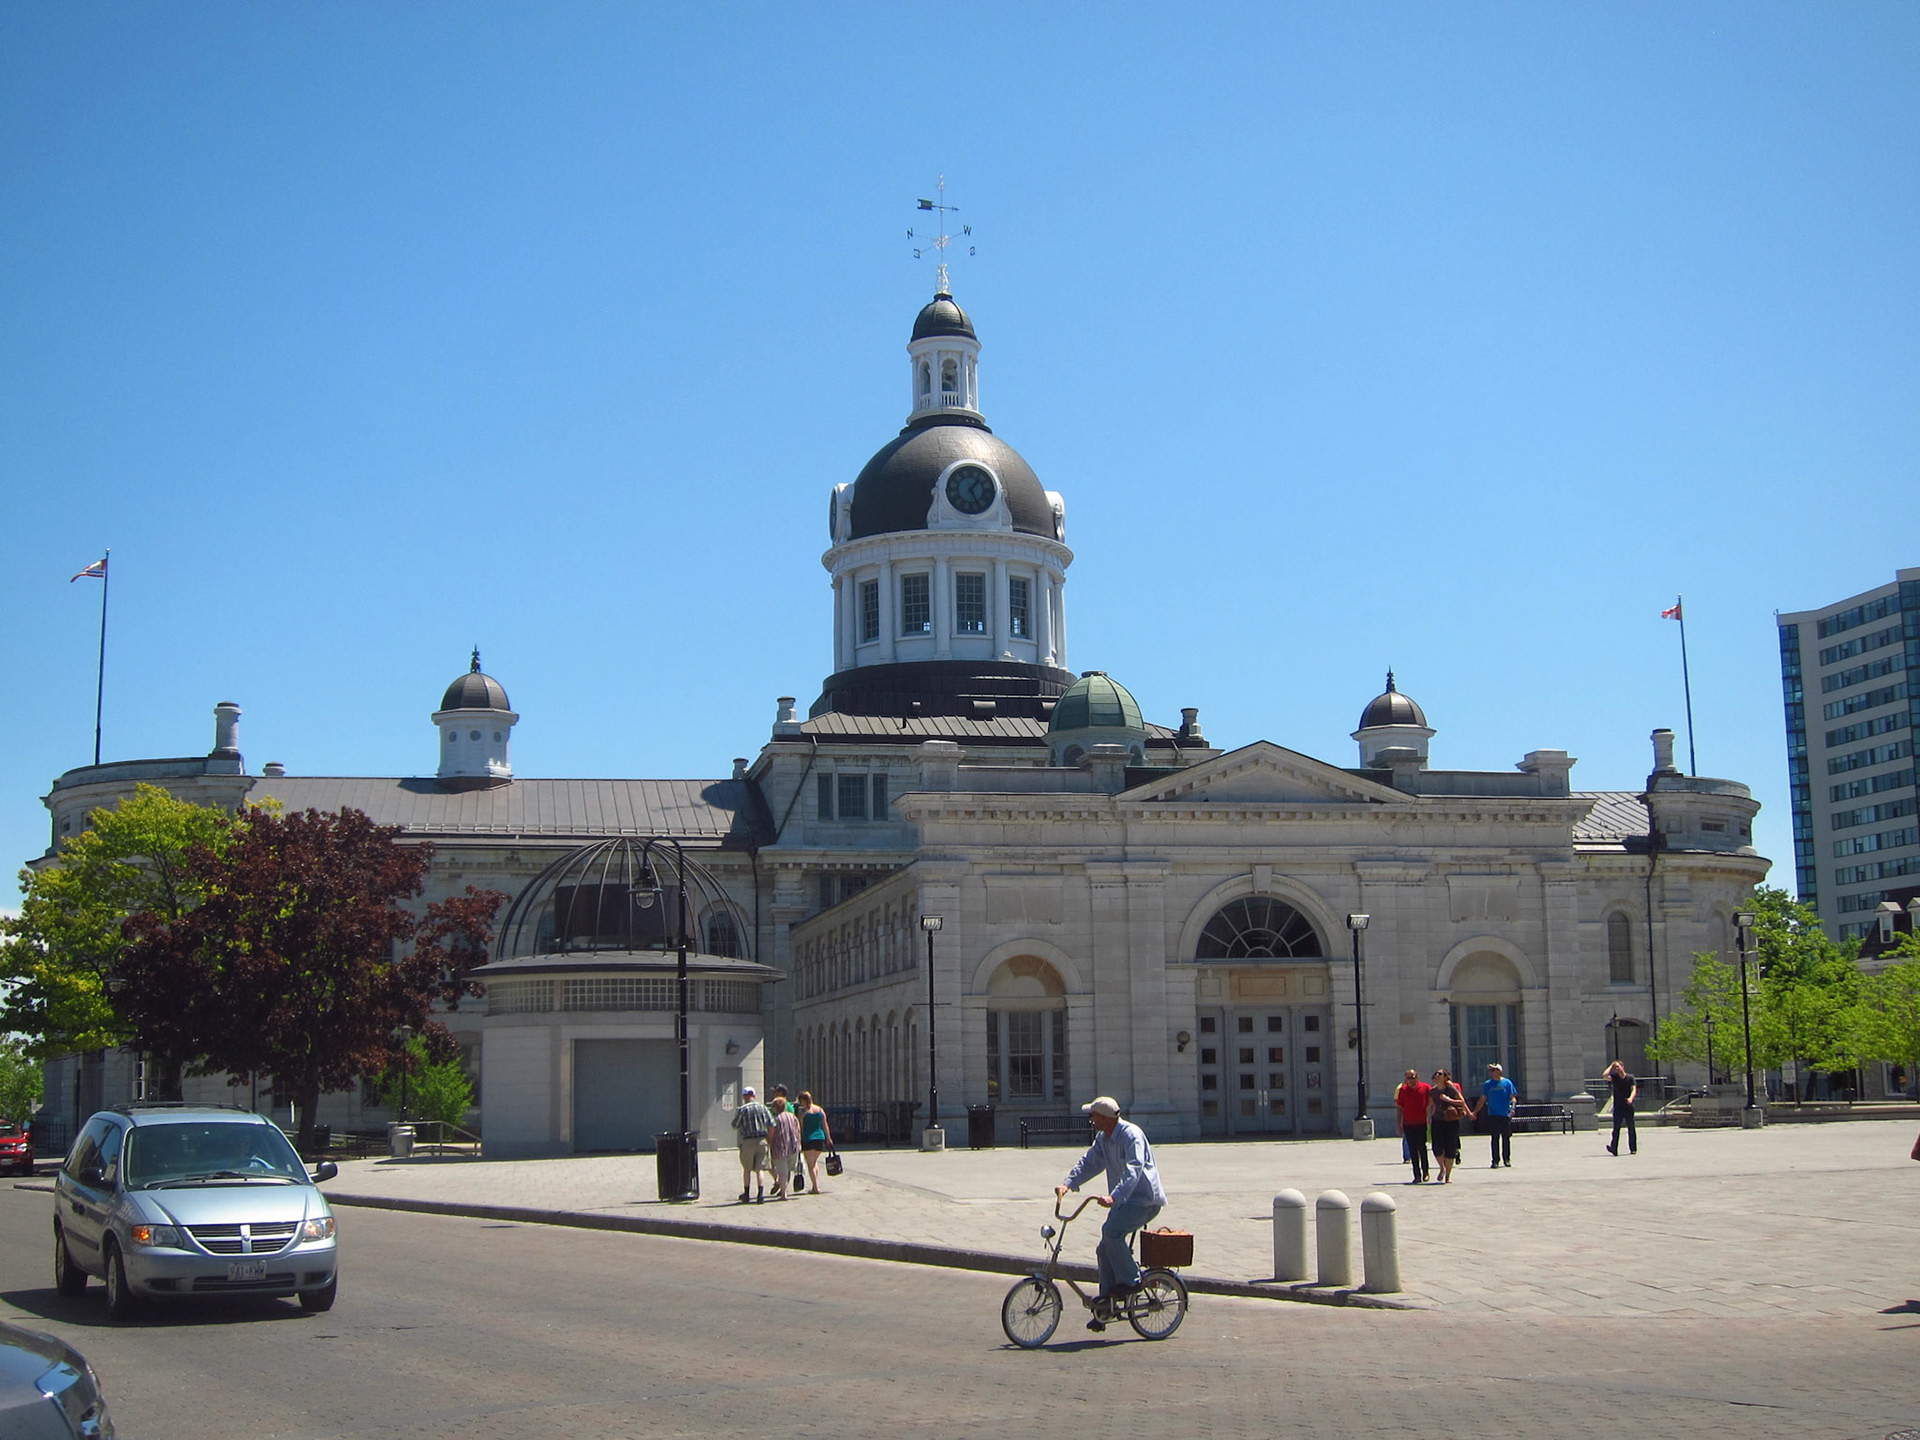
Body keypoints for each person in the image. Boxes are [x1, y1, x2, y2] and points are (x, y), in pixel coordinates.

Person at [1054, 1096, 1168, 1332]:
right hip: (1123, 1201)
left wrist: (1114, 1196)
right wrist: (1068, 1184)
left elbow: (1133, 1170)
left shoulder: (1131, 1135)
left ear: (1105, 1118)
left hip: (1144, 1201)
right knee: (1104, 1248)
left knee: (1111, 1232)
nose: (1091, 1120)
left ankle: (1132, 1280)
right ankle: (1106, 1306)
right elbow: (1089, 1162)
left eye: (1093, 1116)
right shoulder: (1103, 1138)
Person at [731, 1085, 775, 1203]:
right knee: (760, 1169)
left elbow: (734, 1125)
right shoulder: (763, 1107)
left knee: (747, 1169)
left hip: (748, 1141)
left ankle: (746, 1194)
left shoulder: (742, 1109)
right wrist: (769, 1139)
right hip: (762, 1140)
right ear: (754, 1095)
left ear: (744, 1096)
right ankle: (760, 1195)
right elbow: (772, 1124)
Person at [1428, 1069, 1468, 1183]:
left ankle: (1448, 1176)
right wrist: (1428, 1117)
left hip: (1451, 1121)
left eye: (1440, 1074)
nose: (1437, 1075)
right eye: (1436, 1074)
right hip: (1437, 1120)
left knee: (1450, 1148)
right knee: (1437, 1147)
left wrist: (1448, 1100)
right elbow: (1431, 1105)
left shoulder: (1451, 1089)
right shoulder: (1432, 1091)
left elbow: (1462, 1101)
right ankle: (1442, 1167)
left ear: (1445, 1077)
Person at [1394, 1069, 1432, 1183]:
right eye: (1409, 1078)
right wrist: (1398, 1124)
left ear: (1418, 1077)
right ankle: (1417, 1175)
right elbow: (1400, 1108)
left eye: (1413, 1077)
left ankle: (1425, 1171)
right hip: (1408, 1123)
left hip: (1421, 1122)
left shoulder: (1425, 1088)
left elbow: (1431, 1103)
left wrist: (1429, 1116)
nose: (1411, 1080)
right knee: (1412, 1149)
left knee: (1422, 1148)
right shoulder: (1403, 1090)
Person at [1478, 1062, 1518, 1168]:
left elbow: (1513, 1097)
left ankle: (1506, 1159)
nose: (1492, 1072)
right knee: (1494, 1138)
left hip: (1505, 1114)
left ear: (1499, 1071)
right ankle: (1495, 1160)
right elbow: (1483, 1098)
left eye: (1494, 1070)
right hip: (1493, 1114)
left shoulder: (1507, 1083)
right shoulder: (1488, 1084)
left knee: (1506, 1137)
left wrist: (1513, 1108)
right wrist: (1475, 1111)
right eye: (1491, 1070)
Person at [767, 1088, 801, 1200]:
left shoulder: (775, 1119)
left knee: (782, 1171)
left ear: (775, 1108)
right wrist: (799, 1144)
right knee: (788, 1170)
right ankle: (784, 1189)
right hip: (793, 1147)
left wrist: (769, 1143)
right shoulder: (793, 1117)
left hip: (779, 1148)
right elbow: (798, 1130)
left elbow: (771, 1133)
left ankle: (783, 1193)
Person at [797, 1090, 833, 1193]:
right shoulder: (820, 1110)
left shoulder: (803, 1112)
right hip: (820, 1138)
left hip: (808, 1139)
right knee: (814, 1162)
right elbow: (825, 1125)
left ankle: (816, 1187)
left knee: (810, 1165)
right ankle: (814, 1185)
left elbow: (800, 1127)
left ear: (803, 1100)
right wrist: (828, 1138)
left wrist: (798, 1140)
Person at [1604, 1060, 1638, 1155]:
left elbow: (1634, 1089)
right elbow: (1605, 1075)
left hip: (1628, 1105)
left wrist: (1630, 1098)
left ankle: (1633, 1148)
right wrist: (1611, 1066)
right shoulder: (1615, 1077)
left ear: (1623, 1067)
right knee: (1616, 1128)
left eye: (1618, 1066)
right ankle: (1614, 1148)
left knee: (1631, 1127)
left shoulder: (1630, 1078)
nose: (1616, 1069)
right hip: (1618, 1106)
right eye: (1615, 1068)